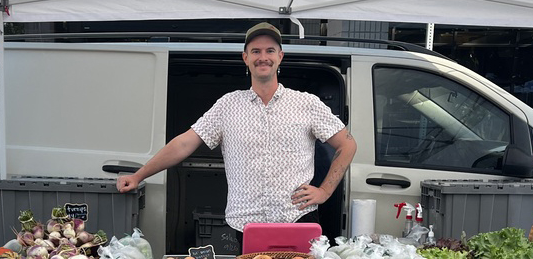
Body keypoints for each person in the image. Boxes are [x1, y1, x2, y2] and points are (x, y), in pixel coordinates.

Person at [117, 22, 357, 241]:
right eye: (256, 51)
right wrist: (139, 176)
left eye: (270, 51)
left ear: (280, 56)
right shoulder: (228, 105)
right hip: (246, 225)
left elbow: (347, 145)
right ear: (245, 58)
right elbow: (183, 144)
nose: (263, 57)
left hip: (296, 219)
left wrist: (325, 190)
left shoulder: (306, 103)